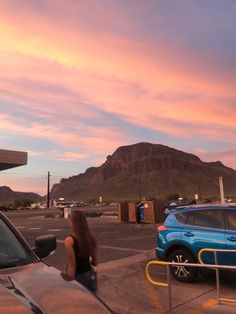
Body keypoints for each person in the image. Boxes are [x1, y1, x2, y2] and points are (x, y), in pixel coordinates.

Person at [64, 209, 97, 293]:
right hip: (90, 274)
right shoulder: (90, 237)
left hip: (78, 277)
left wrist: (69, 283)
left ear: (73, 223)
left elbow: (72, 265)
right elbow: (94, 262)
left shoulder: (69, 240)